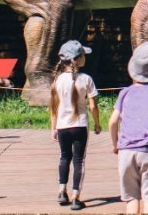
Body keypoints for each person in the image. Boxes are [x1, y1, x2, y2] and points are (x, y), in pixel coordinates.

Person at [109, 42, 148, 214]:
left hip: (126, 152)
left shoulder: (125, 93)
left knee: (131, 198)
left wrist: (115, 144)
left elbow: (112, 122)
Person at [49, 40, 101, 211]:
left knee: (64, 157)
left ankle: (61, 191)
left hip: (62, 126)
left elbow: (54, 107)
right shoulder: (86, 79)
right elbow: (92, 105)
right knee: (79, 160)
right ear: (77, 59)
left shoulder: (57, 80)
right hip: (80, 126)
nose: (84, 57)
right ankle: (75, 197)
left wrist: (53, 128)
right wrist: (97, 124)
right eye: (83, 55)